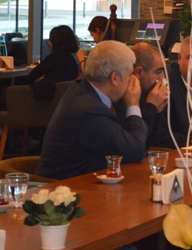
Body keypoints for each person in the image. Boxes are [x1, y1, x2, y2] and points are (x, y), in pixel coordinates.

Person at [36, 40, 147, 180]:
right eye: (130, 75)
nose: (133, 80)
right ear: (114, 78)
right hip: (64, 188)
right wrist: (133, 103)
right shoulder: (89, 111)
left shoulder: (83, 87)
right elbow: (136, 150)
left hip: (84, 181)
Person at [114, 42, 170, 149]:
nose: (163, 78)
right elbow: (136, 142)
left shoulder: (147, 93)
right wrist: (151, 106)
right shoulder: (121, 97)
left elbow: (156, 140)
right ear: (139, 72)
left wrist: (158, 111)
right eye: (159, 72)